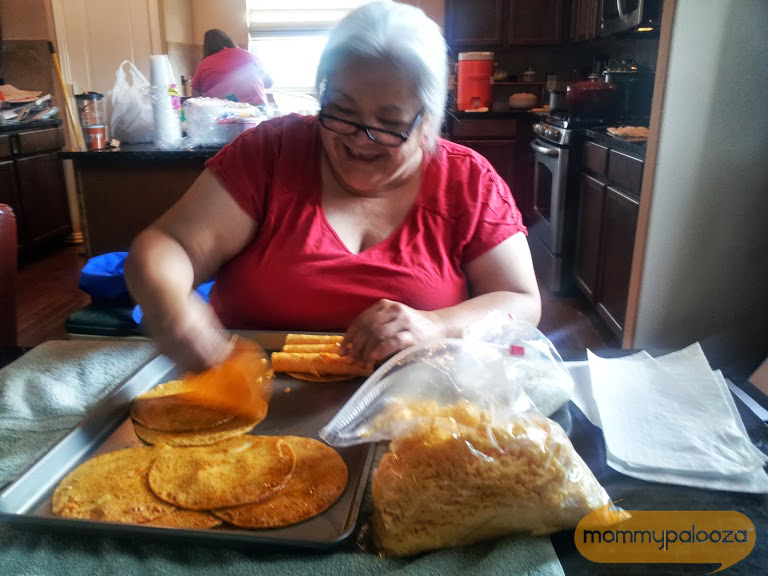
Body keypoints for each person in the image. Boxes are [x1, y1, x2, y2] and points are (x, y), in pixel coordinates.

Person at [125, 1, 541, 372]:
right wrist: (172, 305)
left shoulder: (467, 180)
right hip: (248, 397)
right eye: (340, 112)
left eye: (391, 125)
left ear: (429, 121)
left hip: (415, 412)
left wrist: (436, 325)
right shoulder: (270, 153)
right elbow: (168, 244)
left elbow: (521, 302)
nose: (360, 139)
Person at [191, 29, 272, 105]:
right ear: (228, 41)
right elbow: (269, 83)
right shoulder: (250, 56)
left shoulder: (205, 63)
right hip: (256, 111)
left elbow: (196, 98)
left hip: (219, 114)